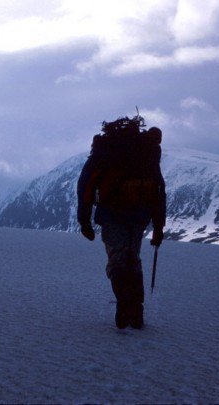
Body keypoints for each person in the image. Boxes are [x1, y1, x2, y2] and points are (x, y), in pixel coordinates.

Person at [77, 117, 166, 329]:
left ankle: (125, 305)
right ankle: (136, 311)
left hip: (112, 214)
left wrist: (84, 220)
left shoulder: (104, 153)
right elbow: (159, 191)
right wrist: (158, 227)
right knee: (132, 259)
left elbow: (85, 186)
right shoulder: (146, 155)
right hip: (139, 216)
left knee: (118, 260)